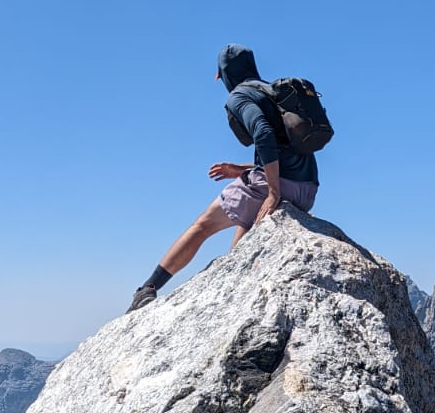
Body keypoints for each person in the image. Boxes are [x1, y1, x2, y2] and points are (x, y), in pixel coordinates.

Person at [127, 45, 320, 311]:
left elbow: (263, 135)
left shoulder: (240, 95)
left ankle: (147, 289)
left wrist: (274, 191)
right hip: (307, 189)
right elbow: (286, 149)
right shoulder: (274, 93)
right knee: (245, 223)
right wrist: (242, 169)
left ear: (225, 74)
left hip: (275, 187)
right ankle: (237, 284)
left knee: (203, 225)